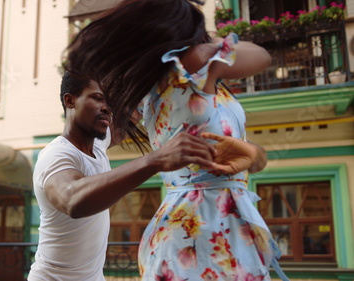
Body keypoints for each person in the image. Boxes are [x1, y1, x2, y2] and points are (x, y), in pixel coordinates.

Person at [65, 0, 289, 280]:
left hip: (210, 226)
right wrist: (210, 44)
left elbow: (249, 160)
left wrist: (254, 155)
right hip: (202, 229)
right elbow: (261, 56)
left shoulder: (160, 84)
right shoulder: (195, 65)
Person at [28, 71, 226, 281]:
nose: (106, 107)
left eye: (109, 101)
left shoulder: (98, 144)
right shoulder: (56, 154)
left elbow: (131, 116)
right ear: (70, 101)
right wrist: (156, 160)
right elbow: (71, 199)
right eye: (97, 98)